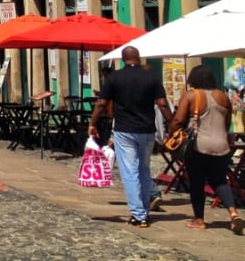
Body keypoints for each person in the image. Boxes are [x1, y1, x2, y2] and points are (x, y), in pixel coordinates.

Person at [89, 45, 173, 228]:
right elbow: (163, 104)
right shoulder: (152, 78)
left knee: (130, 171)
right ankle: (143, 210)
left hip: (125, 130)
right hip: (148, 130)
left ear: (123, 59)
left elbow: (102, 103)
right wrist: (172, 124)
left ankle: (138, 214)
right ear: (139, 57)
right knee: (143, 168)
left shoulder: (114, 78)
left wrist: (93, 123)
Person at [168, 65, 243, 233]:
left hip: (198, 145)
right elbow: (227, 122)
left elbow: (178, 120)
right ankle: (233, 213)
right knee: (219, 180)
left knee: (196, 181)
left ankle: (199, 220)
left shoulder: (191, 95)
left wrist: (171, 134)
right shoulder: (223, 97)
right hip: (221, 145)